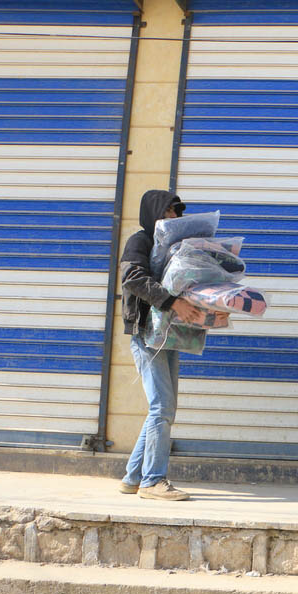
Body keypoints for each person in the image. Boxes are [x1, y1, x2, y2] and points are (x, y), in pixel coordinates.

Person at [117, 189, 205, 501]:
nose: (175, 218)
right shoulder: (140, 241)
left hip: (169, 335)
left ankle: (132, 477)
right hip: (146, 335)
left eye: (178, 213)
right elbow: (133, 278)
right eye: (170, 212)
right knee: (162, 407)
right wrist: (173, 303)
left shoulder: (173, 246)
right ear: (156, 213)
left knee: (163, 408)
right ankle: (153, 481)